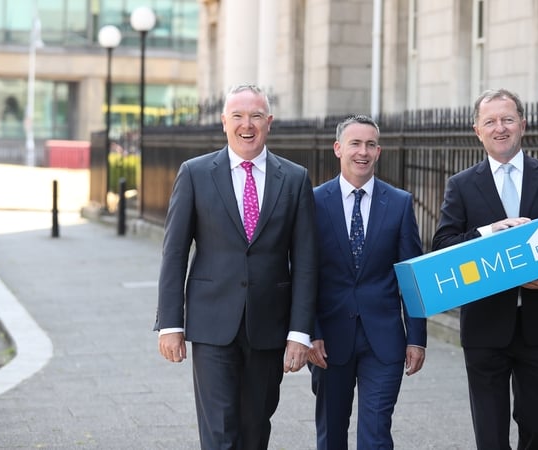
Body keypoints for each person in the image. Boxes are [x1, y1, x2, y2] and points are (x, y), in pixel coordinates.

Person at [154, 83, 318, 450]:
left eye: (256, 116)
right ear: (224, 122)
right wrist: (170, 324)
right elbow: (174, 253)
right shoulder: (195, 173)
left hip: (269, 325)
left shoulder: (294, 179)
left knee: (255, 430)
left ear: (269, 122)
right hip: (211, 323)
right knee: (219, 431)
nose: (247, 125)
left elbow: (306, 262)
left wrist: (300, 332)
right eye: (238, 116)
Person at [431, 88, 538, 450]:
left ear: (522, 125)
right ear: (477, 131)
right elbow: (443, 246)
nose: (500, 128)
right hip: (485, 325)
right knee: (491, 437)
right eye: (491, 121)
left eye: (508, 119)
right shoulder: (461, 185)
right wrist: (488, 231)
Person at [308, 114, 427, 449]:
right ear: (338, 148)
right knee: (331, 435)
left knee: (376, 435)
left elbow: (411, 275)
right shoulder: (313, 202)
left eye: (370, 145)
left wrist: (417, 338)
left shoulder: (400, 203)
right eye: (355, 144)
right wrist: (310, 332)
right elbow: (304, 273)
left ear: (378, 151)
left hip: (384, 340)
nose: (363, 151)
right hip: (329, 341)